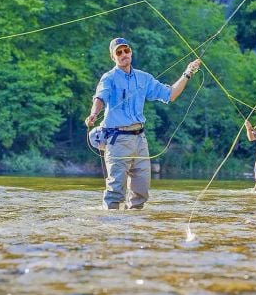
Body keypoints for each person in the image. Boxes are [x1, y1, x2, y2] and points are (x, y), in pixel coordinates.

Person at [85, 37, 201, 210]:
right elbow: (100, 97)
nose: (124, 54)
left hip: (140, 140)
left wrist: (187, 73)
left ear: (131, 52)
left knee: (141, 192)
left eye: (126, 50)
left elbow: (170, 95)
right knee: (115, 191)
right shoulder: (108, 78)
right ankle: (110, 230)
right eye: (119, 52)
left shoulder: (144, 78)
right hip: (117, 140)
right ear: (113, 57)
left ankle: (135, 230)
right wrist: (94, 113)